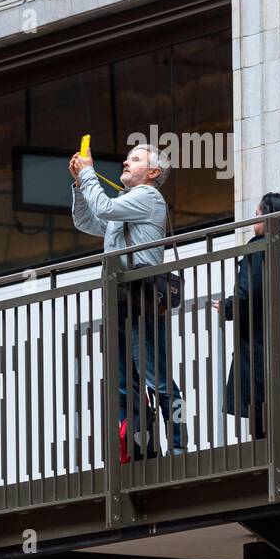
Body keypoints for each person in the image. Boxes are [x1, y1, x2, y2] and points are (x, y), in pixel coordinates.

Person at [70, 143, 187, 457]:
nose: (125, 161)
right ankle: (138, 449)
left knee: (157, 379)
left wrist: (88, 173)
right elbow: (87, 222)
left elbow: (104, 209)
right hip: (121, 298)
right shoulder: (127, 203)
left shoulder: (148, 197)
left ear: (153, 172)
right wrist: (80, 185)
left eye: (134, 159)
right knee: (126, 382)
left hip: (142, 297)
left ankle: (178, 445)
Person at [215, 193, 280, 439]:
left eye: (258, 214)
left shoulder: (259, 248)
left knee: (261, 407)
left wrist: (228, 307)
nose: (254, 220)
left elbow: (249, 292)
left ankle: (270, 456)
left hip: (262, 342)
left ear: (270, 217)